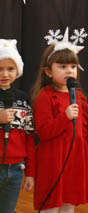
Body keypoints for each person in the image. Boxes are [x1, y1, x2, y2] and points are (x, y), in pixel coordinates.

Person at [31, 34, 88, 212]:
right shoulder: (44, 96)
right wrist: (64, 117)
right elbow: (43, 132)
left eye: (73, 66)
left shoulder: (79, 96)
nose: (69, 71)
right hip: (53, 163)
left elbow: (86, 135)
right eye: (63, 66)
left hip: (75, 162)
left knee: (69, 206)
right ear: (49, 71)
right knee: (51, 205)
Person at [0, 39, 35, 213]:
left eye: (10, 69)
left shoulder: (23, 98)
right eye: (0, 69)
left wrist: (30, 172)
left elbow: (29, 136)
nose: (5, 74)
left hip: (16, 168)